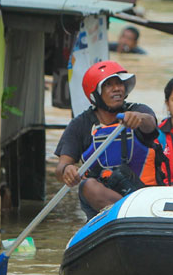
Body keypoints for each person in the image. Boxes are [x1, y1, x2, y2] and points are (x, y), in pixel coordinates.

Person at [55, 61, 158, 219]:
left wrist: (138, 119)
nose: (117, 88)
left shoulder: (138, 111)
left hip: (143, 193)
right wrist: (67, 170)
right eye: (108, 85)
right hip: (103, 197)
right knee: (87, 186)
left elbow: (150, 124)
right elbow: (61, 167)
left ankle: (137, 214)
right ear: (95, 94)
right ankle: (131, 215)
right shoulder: (80, 125)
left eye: (119, 83)